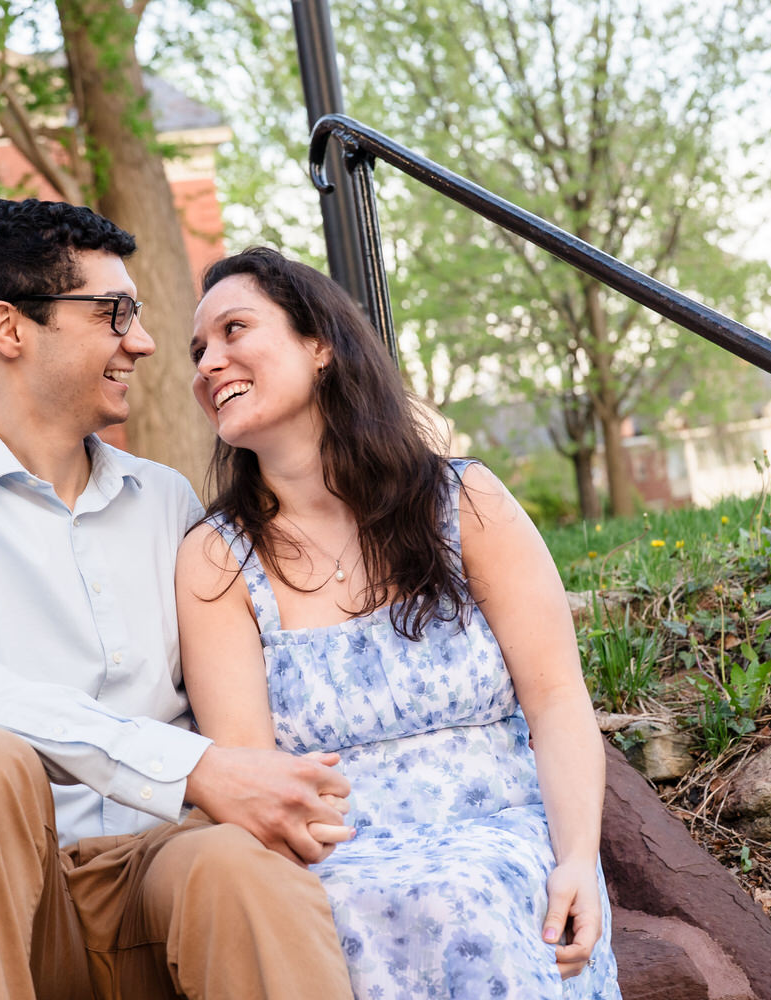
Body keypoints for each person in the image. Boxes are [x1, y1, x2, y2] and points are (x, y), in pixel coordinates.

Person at [0, 200, 359, 1000]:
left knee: (237, 862)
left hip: (170, 888)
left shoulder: (169, 504)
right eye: (113, 312)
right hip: (15, 912)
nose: (145, 341)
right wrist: (192, 768)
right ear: (10, 328)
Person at [176, 247, 623, 999]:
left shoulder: (463, 502)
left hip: (500, 832)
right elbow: (253, 780)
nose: (208, 363)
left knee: (468, 894)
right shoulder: (215, 560)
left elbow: (556, 699)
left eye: (234, 330)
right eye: (198, 351)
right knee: (378, 904)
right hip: (337, 857)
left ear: (320, 344)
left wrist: (578, 858)